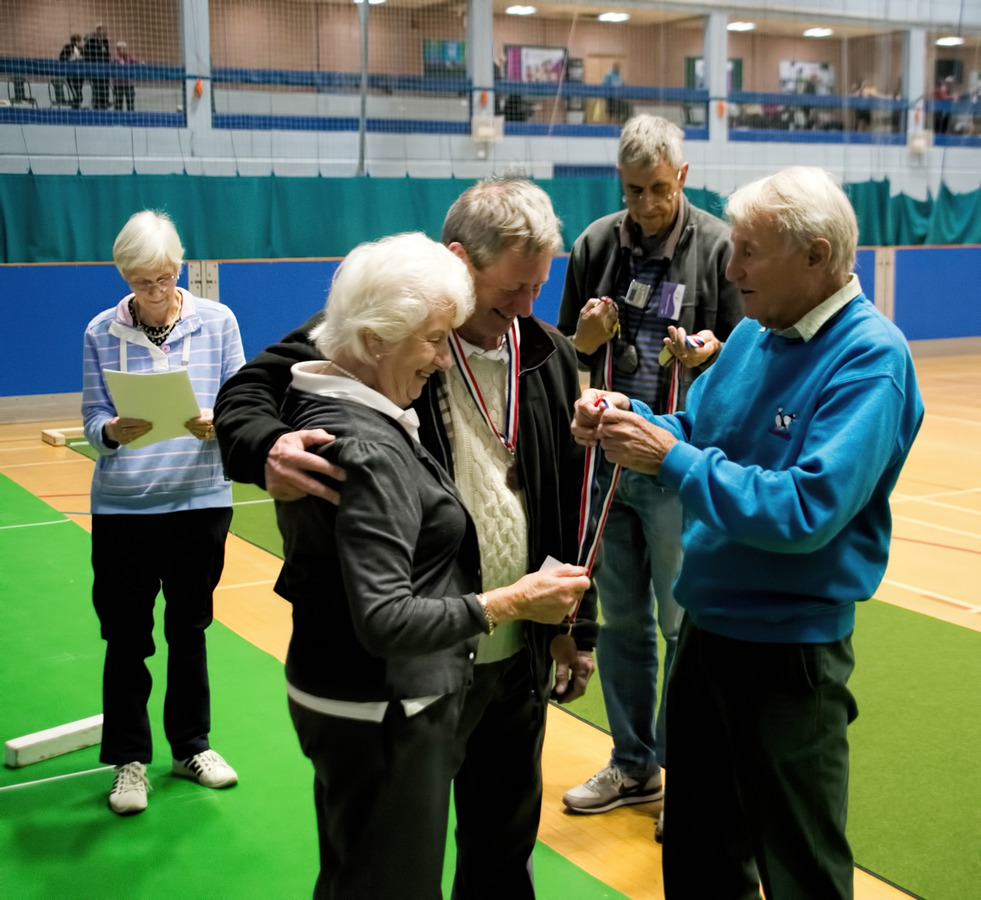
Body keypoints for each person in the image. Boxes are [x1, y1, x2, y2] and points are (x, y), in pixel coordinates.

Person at [214, 175, 598, 898]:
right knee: (392, 858)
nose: (525, 307)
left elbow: (567, 499)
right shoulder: (388, 327)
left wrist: (577, 625)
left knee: (503, 844)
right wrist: (266, 445)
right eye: (510, 290)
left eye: (537, 288)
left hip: (514, 652)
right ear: (459, 261)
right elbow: (244, 393)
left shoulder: (544, 351)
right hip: (420, 659)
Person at [570, 166, 924, 899]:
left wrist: (672, 459)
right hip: (705, 639)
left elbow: (804, 511)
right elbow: (698, 431)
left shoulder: (870, 358)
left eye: (749, 253)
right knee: (698, 850)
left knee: (799, 866)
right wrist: (627, 424)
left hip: (789, 654)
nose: (729, 270)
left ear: (816, 256)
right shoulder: (751, 339)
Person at [557, 115, 742, 836]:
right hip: (607, 461)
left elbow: (745, 359)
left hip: (675, 462)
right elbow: (568, 350)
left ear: (683, 178)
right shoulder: (594, 245)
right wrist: (586, 339)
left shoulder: (722, 246)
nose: (645, 204)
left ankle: (690, 778)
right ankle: (634, 765)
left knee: (679, 623)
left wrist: (708, 354)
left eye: (658, 190)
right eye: (633, 191)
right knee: (625, 623)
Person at [82, 210, 246, 815]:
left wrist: (219, 421)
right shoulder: (100, 331)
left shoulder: (219, 321)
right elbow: (91, 420)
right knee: (126, 637)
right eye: (142, 282)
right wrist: (114, 431)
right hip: (125, 507)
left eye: (166, 276)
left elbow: (242, 400)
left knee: (189, 628)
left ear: (181, 265)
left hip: (199, 502)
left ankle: (190, 746)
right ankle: (128, 760)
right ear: (124, 276)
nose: (156, 291)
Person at [83, 23, 111, 110]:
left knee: (105, 88)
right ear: (98, 30)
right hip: (94, 69)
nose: (106, 32)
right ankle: (96, 106)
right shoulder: (91, 41)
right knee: (97, 88)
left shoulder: (105, 41)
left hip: (104, 70)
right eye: (103, 29)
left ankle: (104, 105)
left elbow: (106, 54)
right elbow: (87, 55)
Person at [58, 33, 84, 108]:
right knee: (77, 96)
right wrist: (72, 58)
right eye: (80, 41)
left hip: (80, 76)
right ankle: (75, 111)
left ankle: (76, 109)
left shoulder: (82, 50)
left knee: (79, 96)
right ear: (76, 42)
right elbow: (61, 59)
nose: (82, 43)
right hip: (71, 76)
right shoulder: (67, 48)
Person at [112, 40, 138, 111]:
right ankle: (118, 119)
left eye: (125, 48)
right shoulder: (116, 58)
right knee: (118, 104)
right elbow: (122, 64)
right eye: (121, 48)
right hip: (118, 85)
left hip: (129, 84)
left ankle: (131, 118)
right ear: (118, 49)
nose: (124, 50)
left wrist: (141, 63)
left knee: (130, 103)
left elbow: (137, 62)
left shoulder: (129, 57)